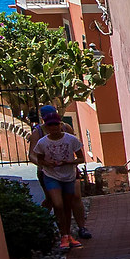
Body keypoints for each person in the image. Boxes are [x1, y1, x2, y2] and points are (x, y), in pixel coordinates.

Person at [31, 106, 90, 248]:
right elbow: (35, 156)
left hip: (69, 173)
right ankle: (57, 231)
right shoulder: (38, 136)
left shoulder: (68, 132)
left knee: (73, 200)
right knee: (56, 203)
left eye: (56, 123)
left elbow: (78, 154)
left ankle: (77, 230)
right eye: (49, 124)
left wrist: (69, 162)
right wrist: (45, 164)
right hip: (49, 174)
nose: (53, 127)